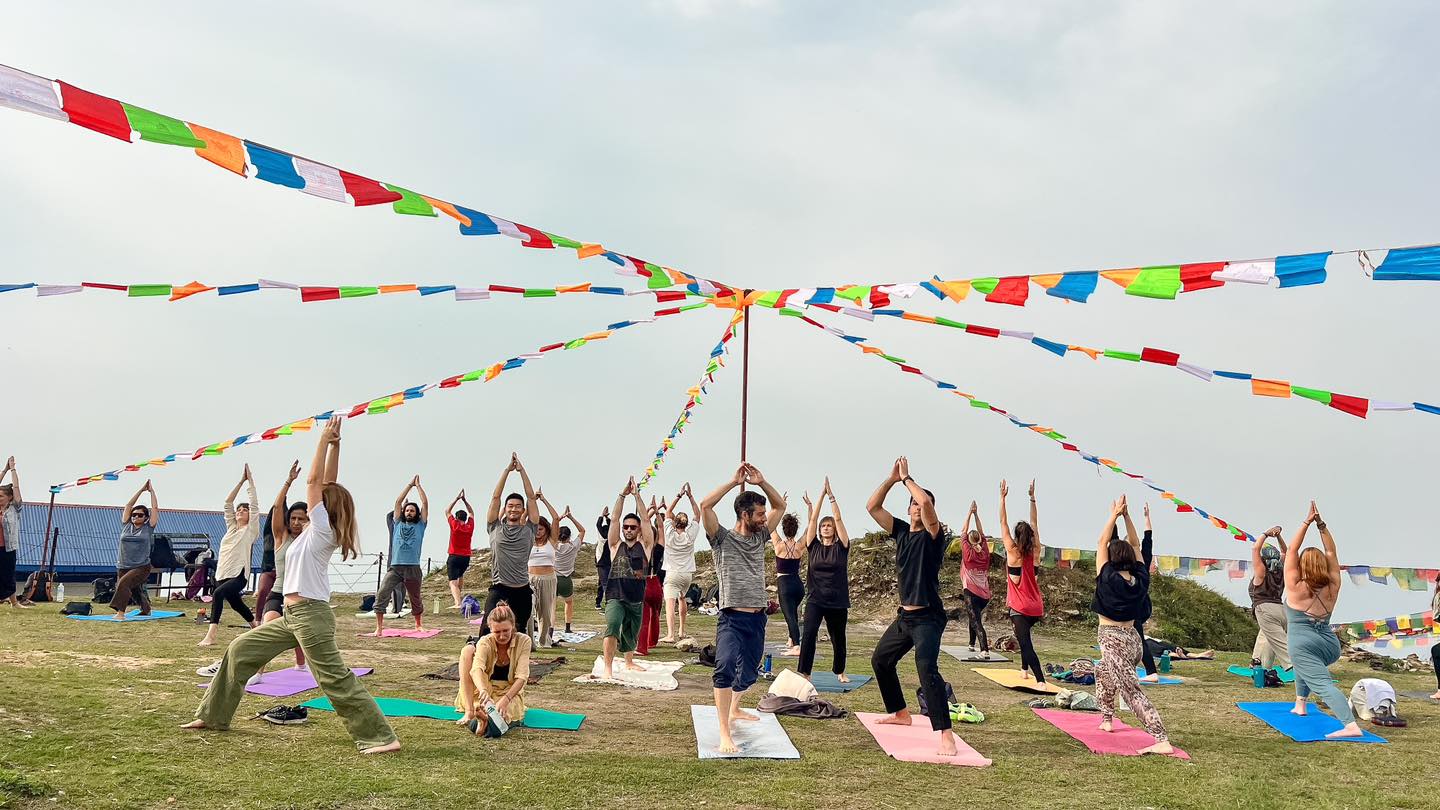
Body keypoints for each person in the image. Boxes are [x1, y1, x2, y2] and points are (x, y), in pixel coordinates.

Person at [183, 416, 400, 755]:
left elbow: (316, 481)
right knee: (239, 650)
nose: (314, 500)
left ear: (327, 508)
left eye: (321, 500)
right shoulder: (314, 532)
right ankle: (213, 716)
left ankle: (382, 737)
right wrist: (335, 445)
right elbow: (326, 481)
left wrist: (321, 440)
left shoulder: (324, 529)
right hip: (292, 616)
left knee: (334, 679)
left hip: (311, 617)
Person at [866, 457, 958, 757]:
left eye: (923, 504)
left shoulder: (934, 536)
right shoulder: (902, 532)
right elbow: (872, 507)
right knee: (881, 660)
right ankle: (900, 712)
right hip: (905, 617)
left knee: (926, 668)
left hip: (929, 618)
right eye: (914, 504)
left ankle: (946, 734)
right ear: (908, 509)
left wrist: (908, 479)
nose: (917, 507)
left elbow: (928, 507)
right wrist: (892, 479)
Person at [700, 462, 784, 754]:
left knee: (748, 674)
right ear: (744, 514)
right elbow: (705, 506)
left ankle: (735, 709)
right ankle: (725, 731)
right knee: (724, 668)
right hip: (731, 618)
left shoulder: (760, 537)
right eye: (759, 514)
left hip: (757, 618)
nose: (764, 519)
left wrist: (761, 482)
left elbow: (780, 505)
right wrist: (733, 483)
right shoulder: (721, 538)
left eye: (763, 514)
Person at [1092, 495, 1173, 755]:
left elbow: (1101, 541)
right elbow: (1136, 544)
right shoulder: (1140, 578)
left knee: (1130, 690)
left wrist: (1114, 514)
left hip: (1113, 639)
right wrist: (1126, 516)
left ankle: (1161, 738)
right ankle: (1106, 718)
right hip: (1133, 641)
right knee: (1103, 673)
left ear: (1111, 559)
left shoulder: (1106, 577)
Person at [1284, 501, 1362, 738]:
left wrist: (1306, 522)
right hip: (1329, 644)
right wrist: (1321, 525)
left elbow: (1291, 551)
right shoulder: (1333, 584)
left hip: (1303, 642)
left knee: (1323, 683)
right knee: (1305, 666)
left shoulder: (1295, 585)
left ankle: (1350, 726)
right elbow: (1331, 552)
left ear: (1301, 566)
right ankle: (1300, 704)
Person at [596, 478, 654, 679]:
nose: (628, 529)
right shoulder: (614, 546)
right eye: (626, 527)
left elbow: (646, 520)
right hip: (615, 595)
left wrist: (637, 495)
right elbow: (614, 518)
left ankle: (629, 662)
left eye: (632, 527)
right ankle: (608, 668)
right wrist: (622, 495)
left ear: (638, 530)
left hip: (636, 597)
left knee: (631, 632)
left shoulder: (645, 545)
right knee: (612, 626)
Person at [200, 465, 261, 647]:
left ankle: (211, 635)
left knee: (218, 594)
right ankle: (256, 627)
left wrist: (250, 482)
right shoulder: (231, 529)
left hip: (238, 574)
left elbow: (255, 506)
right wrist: (240, 481)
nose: (241, 511)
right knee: (236, 604)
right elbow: (227, 503)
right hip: (222, 572)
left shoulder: (251, 530)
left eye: (245, 510)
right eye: (239, 509)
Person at [799, 477, 851, 683]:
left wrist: (831, 496)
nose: (827, 527)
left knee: (838, 638)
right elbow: (812, 520)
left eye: (829, 526)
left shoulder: (842, 547)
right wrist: (820, 496)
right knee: (809, 635)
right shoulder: (813, 546)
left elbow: (839, 519)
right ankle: (805, 672)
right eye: (824, 526)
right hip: (815, 599)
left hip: (837, 601)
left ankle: (840, 671)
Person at [482, 454, 539, 638]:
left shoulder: (530, 528)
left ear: (523, 510)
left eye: (517, 506)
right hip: (499, 587)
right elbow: (495, 496)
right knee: (486, 631)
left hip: (522, 589)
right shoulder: (494, 527)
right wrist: (507, 471)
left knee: (519, 633)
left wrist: (522, 471)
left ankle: (515, 665)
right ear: (505, 509)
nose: (513, 509)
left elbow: (531, 497)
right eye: (510, 506)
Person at [455, 600, 531, 737]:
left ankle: (482, 724)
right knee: (487, 707)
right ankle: (473, 713)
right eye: (497, 632)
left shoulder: (524, 641)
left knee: (505, 712)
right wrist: (483, 690)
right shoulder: (485, 641)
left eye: (506, 631)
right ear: (490, 629)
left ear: (513, 626)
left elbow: (522, 677)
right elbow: (477, 668)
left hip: (508, 691)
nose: (502, 636)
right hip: (486, 689)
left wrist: (506, 699)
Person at [260, 460, 308, 671]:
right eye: (294, 518)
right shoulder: (281, 537)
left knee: (299, 636)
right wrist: (288, 481)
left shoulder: (311, 542)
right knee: (266, 630)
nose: (297, 522)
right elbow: (278, 507)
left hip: (302, 596)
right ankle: (258, 671)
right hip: (279, 592)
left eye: (302, 519)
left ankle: (301, 665)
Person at [1000, 479, 1045, 683]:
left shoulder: (1013, 550)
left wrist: (1002, 499)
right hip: (1036, 607)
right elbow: (1034, 523)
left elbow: (1003, 523)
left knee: (1025, 643)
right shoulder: (1036, 549)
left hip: (1020, 607)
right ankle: (1024, 669)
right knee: (1022, 636)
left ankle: (1041, 680)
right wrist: (1032, 498)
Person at [373, 476, 428, 635]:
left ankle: (418, 624)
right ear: (403, 512)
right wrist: (409, 485)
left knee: (415, 598)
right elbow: (398, 502)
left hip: (413, 568)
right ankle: (379, 627)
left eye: (412, 510)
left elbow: (425, 504)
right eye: (407, 510)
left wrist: (418, 487)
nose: (409, 512)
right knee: (382, 593)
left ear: (416, 513)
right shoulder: (397, 523)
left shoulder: (420, 525)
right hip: (395, 567)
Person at [112, 481, 159, 619]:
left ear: (145, 517)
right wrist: (141, 490)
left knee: (123, 584)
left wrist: (151, 492)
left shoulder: (148, 527)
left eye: (139, 515)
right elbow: (129, 505)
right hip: (123, 564)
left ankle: (120, 613)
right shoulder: (126, 525)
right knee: (135, 589)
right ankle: (146, 609)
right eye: (134, 515)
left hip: (141, 566)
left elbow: (155, 508)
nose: (135, 517)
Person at [660, 484, 701, 642]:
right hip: (687, 574)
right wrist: (690, 496)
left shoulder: (669, 533)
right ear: (686, 524)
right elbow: (697, 515)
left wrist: (679, 495)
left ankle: (671, 634)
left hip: (672, 573)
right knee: (682, 598)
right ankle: (682, 631)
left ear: (675, 522)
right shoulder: (690, 534)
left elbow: (668, 512)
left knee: (670, 604)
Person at [1249, 524, 1291, 673]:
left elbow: (1255, 549)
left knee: (1273, 640)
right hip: (1281, 610)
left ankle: (1267, 667)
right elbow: (1286, 552)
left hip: (1264, 608)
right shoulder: (1282, 570)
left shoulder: (1261, 571)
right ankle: (1256, 661)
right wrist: (1279, 536)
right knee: (1266, 635)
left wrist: (1266, 534)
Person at [527, 488, 563, 646]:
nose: (537, 532)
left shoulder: (551, 541)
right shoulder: (527, 540)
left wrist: (543, 500)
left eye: (540, 529)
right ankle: (529, 641)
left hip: (548, 578)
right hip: (529, 578)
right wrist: (531, 502)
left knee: (545, 613)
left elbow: (556, 518)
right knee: (528, 611)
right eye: (535, 529)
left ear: (546, 529)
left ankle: (543, 640)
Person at [772, 508, 806, 658]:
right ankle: (791, 640)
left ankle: (797, 646)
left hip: (785, 584)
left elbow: (770, 525)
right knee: (793, 613)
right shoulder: (799, 546)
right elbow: (810, 528)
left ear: (783, 529)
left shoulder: (779, 545)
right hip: (798, 584)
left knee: (790, 617)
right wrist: (812, 511)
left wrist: (781, 507)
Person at [958, 500, 991, 654]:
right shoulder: (985, 551)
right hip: (984, 595)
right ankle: (971, 644)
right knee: (973, 618)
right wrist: (977, 514)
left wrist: (970, 513)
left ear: (969, 542)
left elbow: (964, 529)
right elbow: (981, 531)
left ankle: (984, 650)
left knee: (976, 621)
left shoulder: (967, 552)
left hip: (971, 593)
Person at [1, 456, 33, 609]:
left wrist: (13, 469)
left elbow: (16, 488)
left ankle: (14, 602)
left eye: (1, 496)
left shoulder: (14, 509)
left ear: (9, 497)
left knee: (8, 574)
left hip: (8, 547)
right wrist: (5, 469)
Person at [1134, 503, 1159, 681]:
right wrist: (1146, 517)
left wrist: (1115, 516)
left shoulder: (1135, 565)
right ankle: (1147, 670)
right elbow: (1148, 539)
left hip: (1136, 607)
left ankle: (1151, 672)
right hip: (1142, 606)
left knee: (1138, 638)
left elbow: (1147, 540)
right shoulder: (1144, 561)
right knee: (1136, 636)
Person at [637, 497, 666, 655]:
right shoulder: (659, 547)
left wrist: (648, 511)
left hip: (644, 584)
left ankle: (642, 648)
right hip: (657, 584)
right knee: (655, 615)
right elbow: (660, 528)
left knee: (644, 618)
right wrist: (656, 512)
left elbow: (642, 526)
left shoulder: (641, 547)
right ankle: (653, 641)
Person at [553, 507, 585, 635]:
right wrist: (570, 517)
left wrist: (558, 520)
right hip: (566, 579)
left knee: (551, 607)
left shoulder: (553, 545)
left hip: (553, 577)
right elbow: (582, 530)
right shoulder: (573, 546)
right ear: (569, 536)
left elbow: (549, 533)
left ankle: (550, 628)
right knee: (569, 602)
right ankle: (567, 627)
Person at [445, 490, 476, 609]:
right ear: (465, 518)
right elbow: (471, 512)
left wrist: (456, 499)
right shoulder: (470, 526)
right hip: (466, 557)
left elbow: (447, 511)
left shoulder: (454, 524)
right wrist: (465, 501)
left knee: (453, 581)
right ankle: (459, 599)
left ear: (457, 517)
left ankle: (458, 603)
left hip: (454, 556)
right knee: (460, 576)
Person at [594, 507, 612, 610]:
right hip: (608, 562)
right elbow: (611, 526)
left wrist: (602, 515)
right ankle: (598, 603)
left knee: (604, 584)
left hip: (601, 563)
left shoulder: (602, 538)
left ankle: (608, 604)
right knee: (602, 583)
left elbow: (598, 525)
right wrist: (607, 518)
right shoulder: (610, 537)